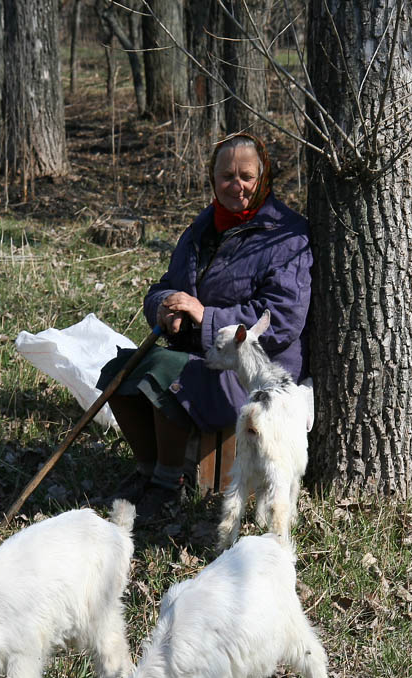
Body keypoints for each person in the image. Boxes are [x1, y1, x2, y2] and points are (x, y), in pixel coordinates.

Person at [98, 133, 312, 517]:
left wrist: (204, 315)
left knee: (166, 372)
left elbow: (281, 319)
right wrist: (162, 306)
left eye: (247, 175)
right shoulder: (202, 228)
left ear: (263, 178)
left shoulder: (287, 236)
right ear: (212, 179)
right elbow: (167, 285)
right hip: (201, 355)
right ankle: (147, 471)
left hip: (254, 374)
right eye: (227, 175)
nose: (237, 185)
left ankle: (168, 486)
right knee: (119, 370)